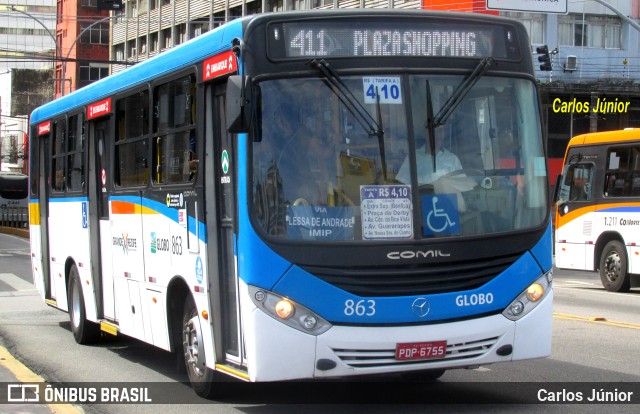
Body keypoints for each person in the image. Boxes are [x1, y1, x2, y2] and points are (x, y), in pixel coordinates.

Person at [396, 127, 462, 186]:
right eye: (433, 131)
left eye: (440, 131)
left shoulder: (453, 159)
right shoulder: (413, 157)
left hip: (447, 199)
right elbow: (402, 183)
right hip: (419, 199)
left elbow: (461, 185)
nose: (437, 135)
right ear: (426, 134)